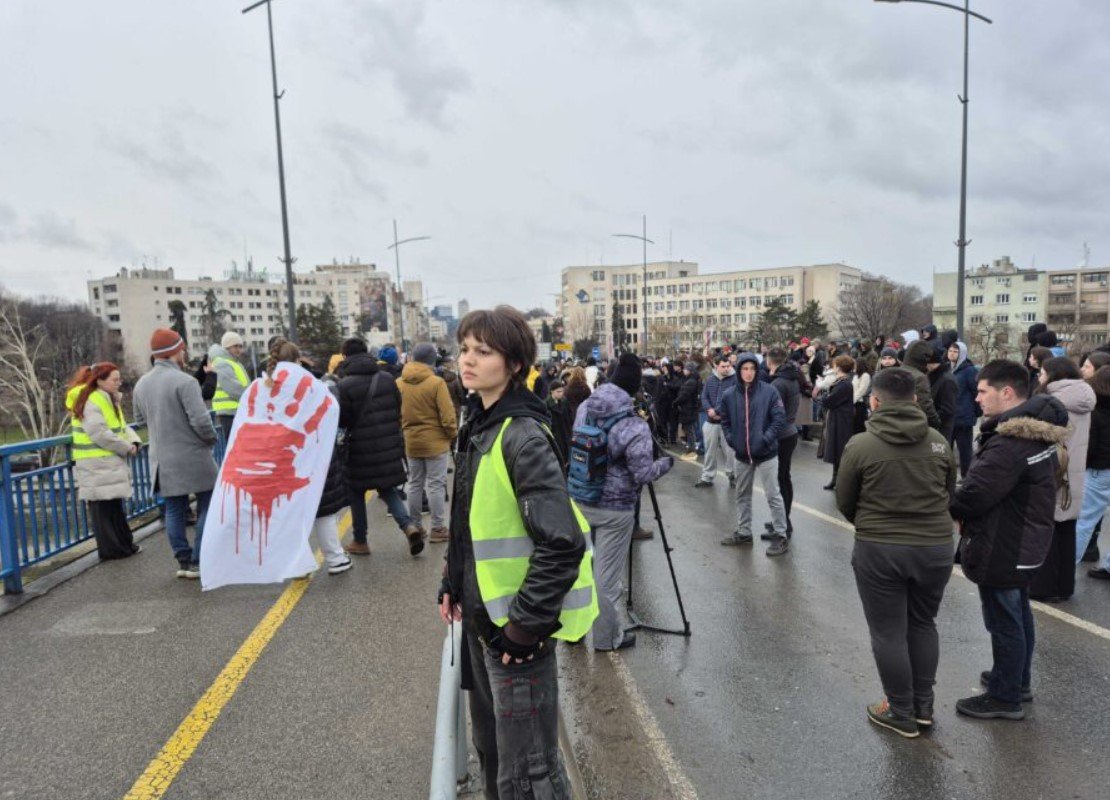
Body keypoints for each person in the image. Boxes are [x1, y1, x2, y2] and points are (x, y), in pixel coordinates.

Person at [438, 306, 596, 800]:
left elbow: (562, 542)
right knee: (494, 755)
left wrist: (524, 628)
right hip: (486, 621)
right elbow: (472, 517)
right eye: (465, 349)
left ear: (512, 362)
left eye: (483, 352)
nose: (468, 360)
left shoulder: (521, 435)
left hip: (515, 633)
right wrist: (452, 577)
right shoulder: (480, 421)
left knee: (528, 774)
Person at [836, 367, 956, 737]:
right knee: (923, 623)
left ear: (875, 401)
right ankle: (923, 706)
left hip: (881, 548)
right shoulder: (937, 440)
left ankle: (900, 710)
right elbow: (949, 491)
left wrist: (872, 525)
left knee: (888, 631)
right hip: (935, 547)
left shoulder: (861, 444)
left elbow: (845, 501)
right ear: (916, 400)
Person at [950, 360, 1069, 720]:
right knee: (1018, 613)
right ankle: (1016, 680)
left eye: (983, 391)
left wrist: (950, 502)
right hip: (1025, 539)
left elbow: (973, 494)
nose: (977, 397)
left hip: (1007, 542)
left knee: (1004, 620)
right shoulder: (1037, 432)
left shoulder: (1010, 443)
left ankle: (1005, 697)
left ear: (1007, 393)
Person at [573, 352, 673, 651]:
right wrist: (665, 464)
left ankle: (571, 631)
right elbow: (642, 473)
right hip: (614, 509)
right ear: (633, 389)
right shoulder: (633, 425)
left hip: (579, 497)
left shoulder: (583, 408)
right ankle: (606, 639)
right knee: (606, 579)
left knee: (577, 572)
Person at [132, 329, 218, 579]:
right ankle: (199, 559)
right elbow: (201, 421)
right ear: (174, 352)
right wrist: (210, 439)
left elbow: (139, 420)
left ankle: (183, 560)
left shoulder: (141, 384)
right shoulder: (186, 382)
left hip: (162, 460)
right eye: (182, 349)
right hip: (193, 456)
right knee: (208, 504)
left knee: (174, 510)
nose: (184, 353)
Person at [265, 339, 352, 575]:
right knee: (324, 512)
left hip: (284, 459)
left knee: (292, 513)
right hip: (315, 456)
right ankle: (335, 559)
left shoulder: (267, 387)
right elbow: (332, 411)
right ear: (298, 359)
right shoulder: (313, 385)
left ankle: (297, 565)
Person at [337, 337, 425, 557]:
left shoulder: (344, 385)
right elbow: (397, 408)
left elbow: (343, 420)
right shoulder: (386, 379)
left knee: (356, 492)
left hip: (358, 449)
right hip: (387, 444)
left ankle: (360, 540)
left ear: (345, 357)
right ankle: (408, 526)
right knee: (387, 488)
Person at [1028, 357, 1096, 601]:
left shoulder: (1054, 401)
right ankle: (1064, 587)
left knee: (1047, 531)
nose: (1039, 376)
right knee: (1066, 531)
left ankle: (1043, 588)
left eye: (1043, 373)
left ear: (1055, 376)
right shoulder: (1084, 395)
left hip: (1054, 471)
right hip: (1074, 471)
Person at [717, 352, 789, 556]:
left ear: (757, 371)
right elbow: (725, 421)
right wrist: (733, 440)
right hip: (741, 454)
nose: (748, 373)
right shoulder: (729, 395)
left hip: (767, 454)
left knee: (773, 494)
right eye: (744, 369)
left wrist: (765, 439)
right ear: (738, 370)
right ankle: (744, 532)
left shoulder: (770, 391)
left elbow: (778, 419)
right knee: (742, 495)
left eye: (752, 369)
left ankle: (781, 535)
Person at [70, 362, 143, 560]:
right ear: (100, 380)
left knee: (109, 508)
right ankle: (115, 549)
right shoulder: (94, 399)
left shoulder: (103, 398)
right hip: (97, 461)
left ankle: (121, 547)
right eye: (115, 379)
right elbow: (99, 432)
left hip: (102, 461)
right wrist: (127, 446)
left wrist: (133, 440)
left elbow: (119, 426)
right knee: (105, 510)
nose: (119, 383)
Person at [398, 342, 459, 545]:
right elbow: (447, 414)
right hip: (436, 441)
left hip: (411, 440)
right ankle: (438, 527)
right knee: (436, 484)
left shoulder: (399, 382)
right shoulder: (436, 383)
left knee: (414, 483)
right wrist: (452, 435)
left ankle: (415, 524)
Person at [764, 347, 801, 539]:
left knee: (780, 480)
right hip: (790, 432)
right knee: (783, 478)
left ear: (770, 361)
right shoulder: (791, 377)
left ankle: (783, 523)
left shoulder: (778, 383)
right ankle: (783, 520)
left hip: (781, 435)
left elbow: (773, 413)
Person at [1076, 366, 1110, 579]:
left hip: (1099, 470)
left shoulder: (1094, 412)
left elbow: (1090, 446)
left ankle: (1064, 569)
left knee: (1084, 522)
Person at [694, 356, 738, 488]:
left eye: (727, 366)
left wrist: (717, 412)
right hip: (710, 421)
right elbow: (704, 396)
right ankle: (707, 477)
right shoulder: (710, 379)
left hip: (727, 422)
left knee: (730, 452)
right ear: (716, 366)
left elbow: (732, 398)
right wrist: (709, 410)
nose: (726, 368)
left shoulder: (735, 380)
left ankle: (733, 476)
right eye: (723, 366)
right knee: (709, 451)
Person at [821, 355, 856, 491]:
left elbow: (828, 401)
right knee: (837, 452)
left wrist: (825, 395)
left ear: (839, 367)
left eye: (835, 365)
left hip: (841, 422)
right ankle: (835, 479)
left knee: (839, 451)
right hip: (839, 419)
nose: (833, 367)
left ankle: (840, 481)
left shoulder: (844, 384)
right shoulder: (842, 382)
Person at [208, 331, 250, 443]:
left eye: (240, 346)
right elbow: (233, 388)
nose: (239, 350)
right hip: (230, 412)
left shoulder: (233, 362)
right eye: (235, 346)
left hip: (236, 411)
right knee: (237, 447)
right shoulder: (222, 363)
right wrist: (251, 398)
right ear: (227, 347)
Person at [949, 342, 980, 478]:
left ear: (962, 353)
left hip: (964, 418)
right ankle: (948, 478)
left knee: (965, 452)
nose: (951, 353)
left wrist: (976, 411)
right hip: (949, 418)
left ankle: (967, 478)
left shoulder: (969, 370)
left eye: (955, 351)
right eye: (950, 350)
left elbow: (976, 391)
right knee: (946, 451)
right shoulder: (947, 369)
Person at [901, 340, 944, 431]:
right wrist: (936, 422)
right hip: (914, 424)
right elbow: (925, 405)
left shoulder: (897, 371)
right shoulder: (920, 377)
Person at [926, 348, 957, 444]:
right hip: (935, 427)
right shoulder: (934, 375)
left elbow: (948, 409)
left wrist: (932, 419)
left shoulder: (946, 380)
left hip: (941, 429)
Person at [674, 361, 701, 457]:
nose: (684, 370)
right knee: (689, 429)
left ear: (690, 370)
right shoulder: (690, 380)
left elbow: (684, 395)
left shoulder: (691, 381)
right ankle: (691, 448)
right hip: (688, 408)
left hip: (688, 409)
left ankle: (691, 450)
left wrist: (676, 402)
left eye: (686, 369)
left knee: (690, 429)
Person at [852, 357, 873, 435]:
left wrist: (851, 400)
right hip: (854, 403)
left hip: (859, 404)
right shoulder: (855, 376)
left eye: (855, 364)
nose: (853, 366)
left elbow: (862, 391)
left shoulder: (865, 375)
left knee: (858, 426)